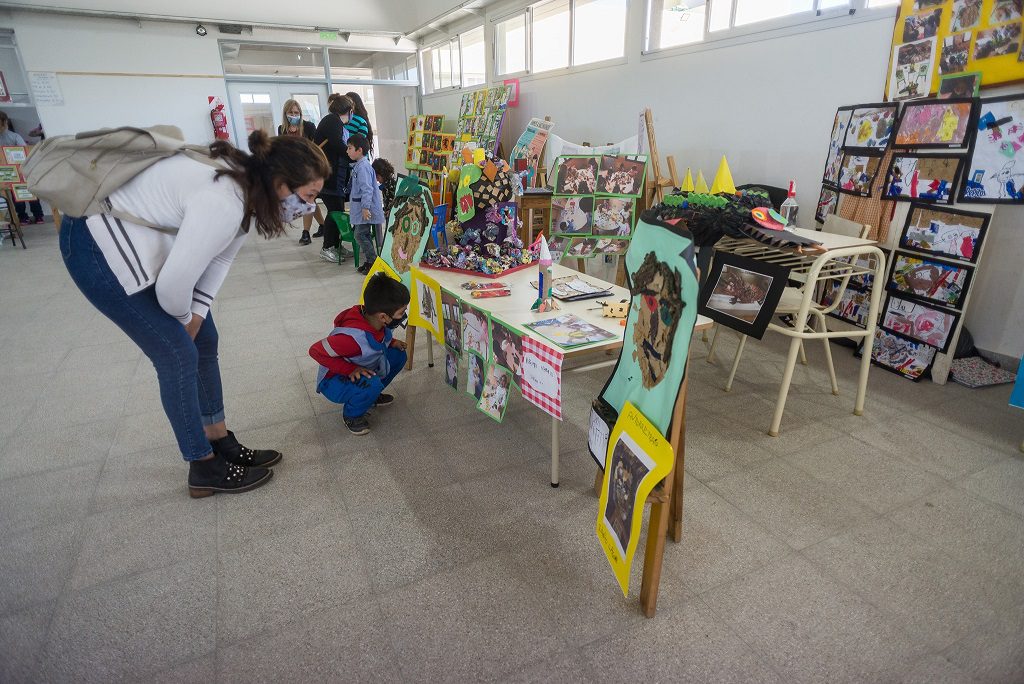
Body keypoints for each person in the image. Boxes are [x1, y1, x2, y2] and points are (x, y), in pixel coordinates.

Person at [60, 130, 331, 497]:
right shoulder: (225, 199)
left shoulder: (247, 185)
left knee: (205, 337)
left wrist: (197, 314)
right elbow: (172, 289)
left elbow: (219, 259)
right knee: (177, 354)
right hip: (96, 246)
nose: (310, 207)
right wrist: (184, 320)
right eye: (309, 195)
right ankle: (202, 466)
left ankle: (217, 438)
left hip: (136, 239)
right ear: (281, 183)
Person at [309, 273, 409, 435]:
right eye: (401, 312)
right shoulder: (350, 339)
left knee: (398, 356)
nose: (403, 316)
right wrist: (349, 369)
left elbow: (377, 338)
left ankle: (371, 396)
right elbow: (315, 351)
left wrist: (392, 343)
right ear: (383, 316)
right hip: (334, 380)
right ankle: (352, 415)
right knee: (373, 383)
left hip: (361, 365)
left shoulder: (373, 319)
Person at [315, 94, 356, 262]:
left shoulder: (334, 121)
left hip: (334, 177)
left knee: (337, 210)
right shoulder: (333, 121)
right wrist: (354, 155)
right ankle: (327, 247)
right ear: (349, 110)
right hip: (328, 178)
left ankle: (337, 245)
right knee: (335, 212)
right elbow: (338, 146)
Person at [278, 98, 325, 246]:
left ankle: (305, 233)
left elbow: (318, 147)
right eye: (291, 112)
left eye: (296, 112)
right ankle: (323, 226)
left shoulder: (309, 127)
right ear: (286, 114)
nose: (294, 115)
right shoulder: (282, 129)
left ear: (301, 113)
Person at [347, 134, 384, 275]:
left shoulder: (363, 167)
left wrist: (365, 207)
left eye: (350, 148)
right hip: (362, 208)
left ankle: (373, 261)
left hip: (365, 210)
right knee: (364, 235)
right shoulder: (360, 166)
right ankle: (370, 260)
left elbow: (367, 189)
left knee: (360, 235)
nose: (347, 151)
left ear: (359, 150)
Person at [0, 112, 44, 224]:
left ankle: (30, 216)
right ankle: (31, 216)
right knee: (23, 193)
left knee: (23, 193)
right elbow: (25, 151)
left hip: (15, 170)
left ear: (5, 122)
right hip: (14, 170)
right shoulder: (14, 136)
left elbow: (25, 151)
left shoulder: (14, 136)